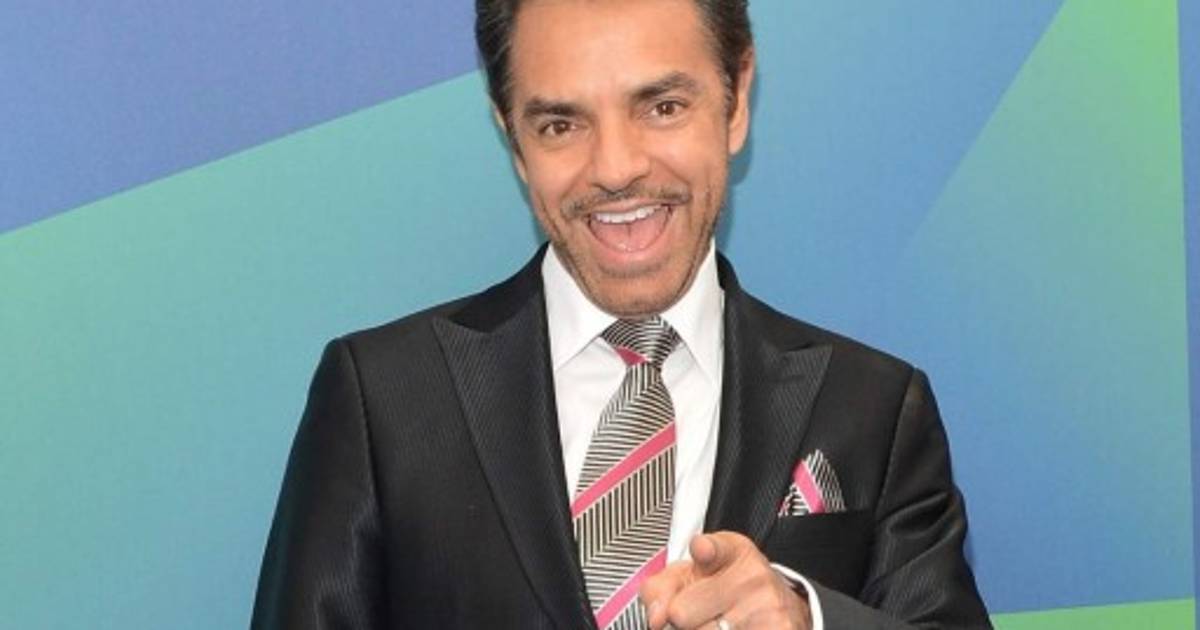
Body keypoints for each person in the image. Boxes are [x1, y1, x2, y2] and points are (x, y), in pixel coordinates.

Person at [251, 0, 991, 628]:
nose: (616, 168)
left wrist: (808, 618)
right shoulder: (382, 397)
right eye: (560, 125)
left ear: (736, 99)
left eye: (662, 108)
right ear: (512, 138)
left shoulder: (874, 409)